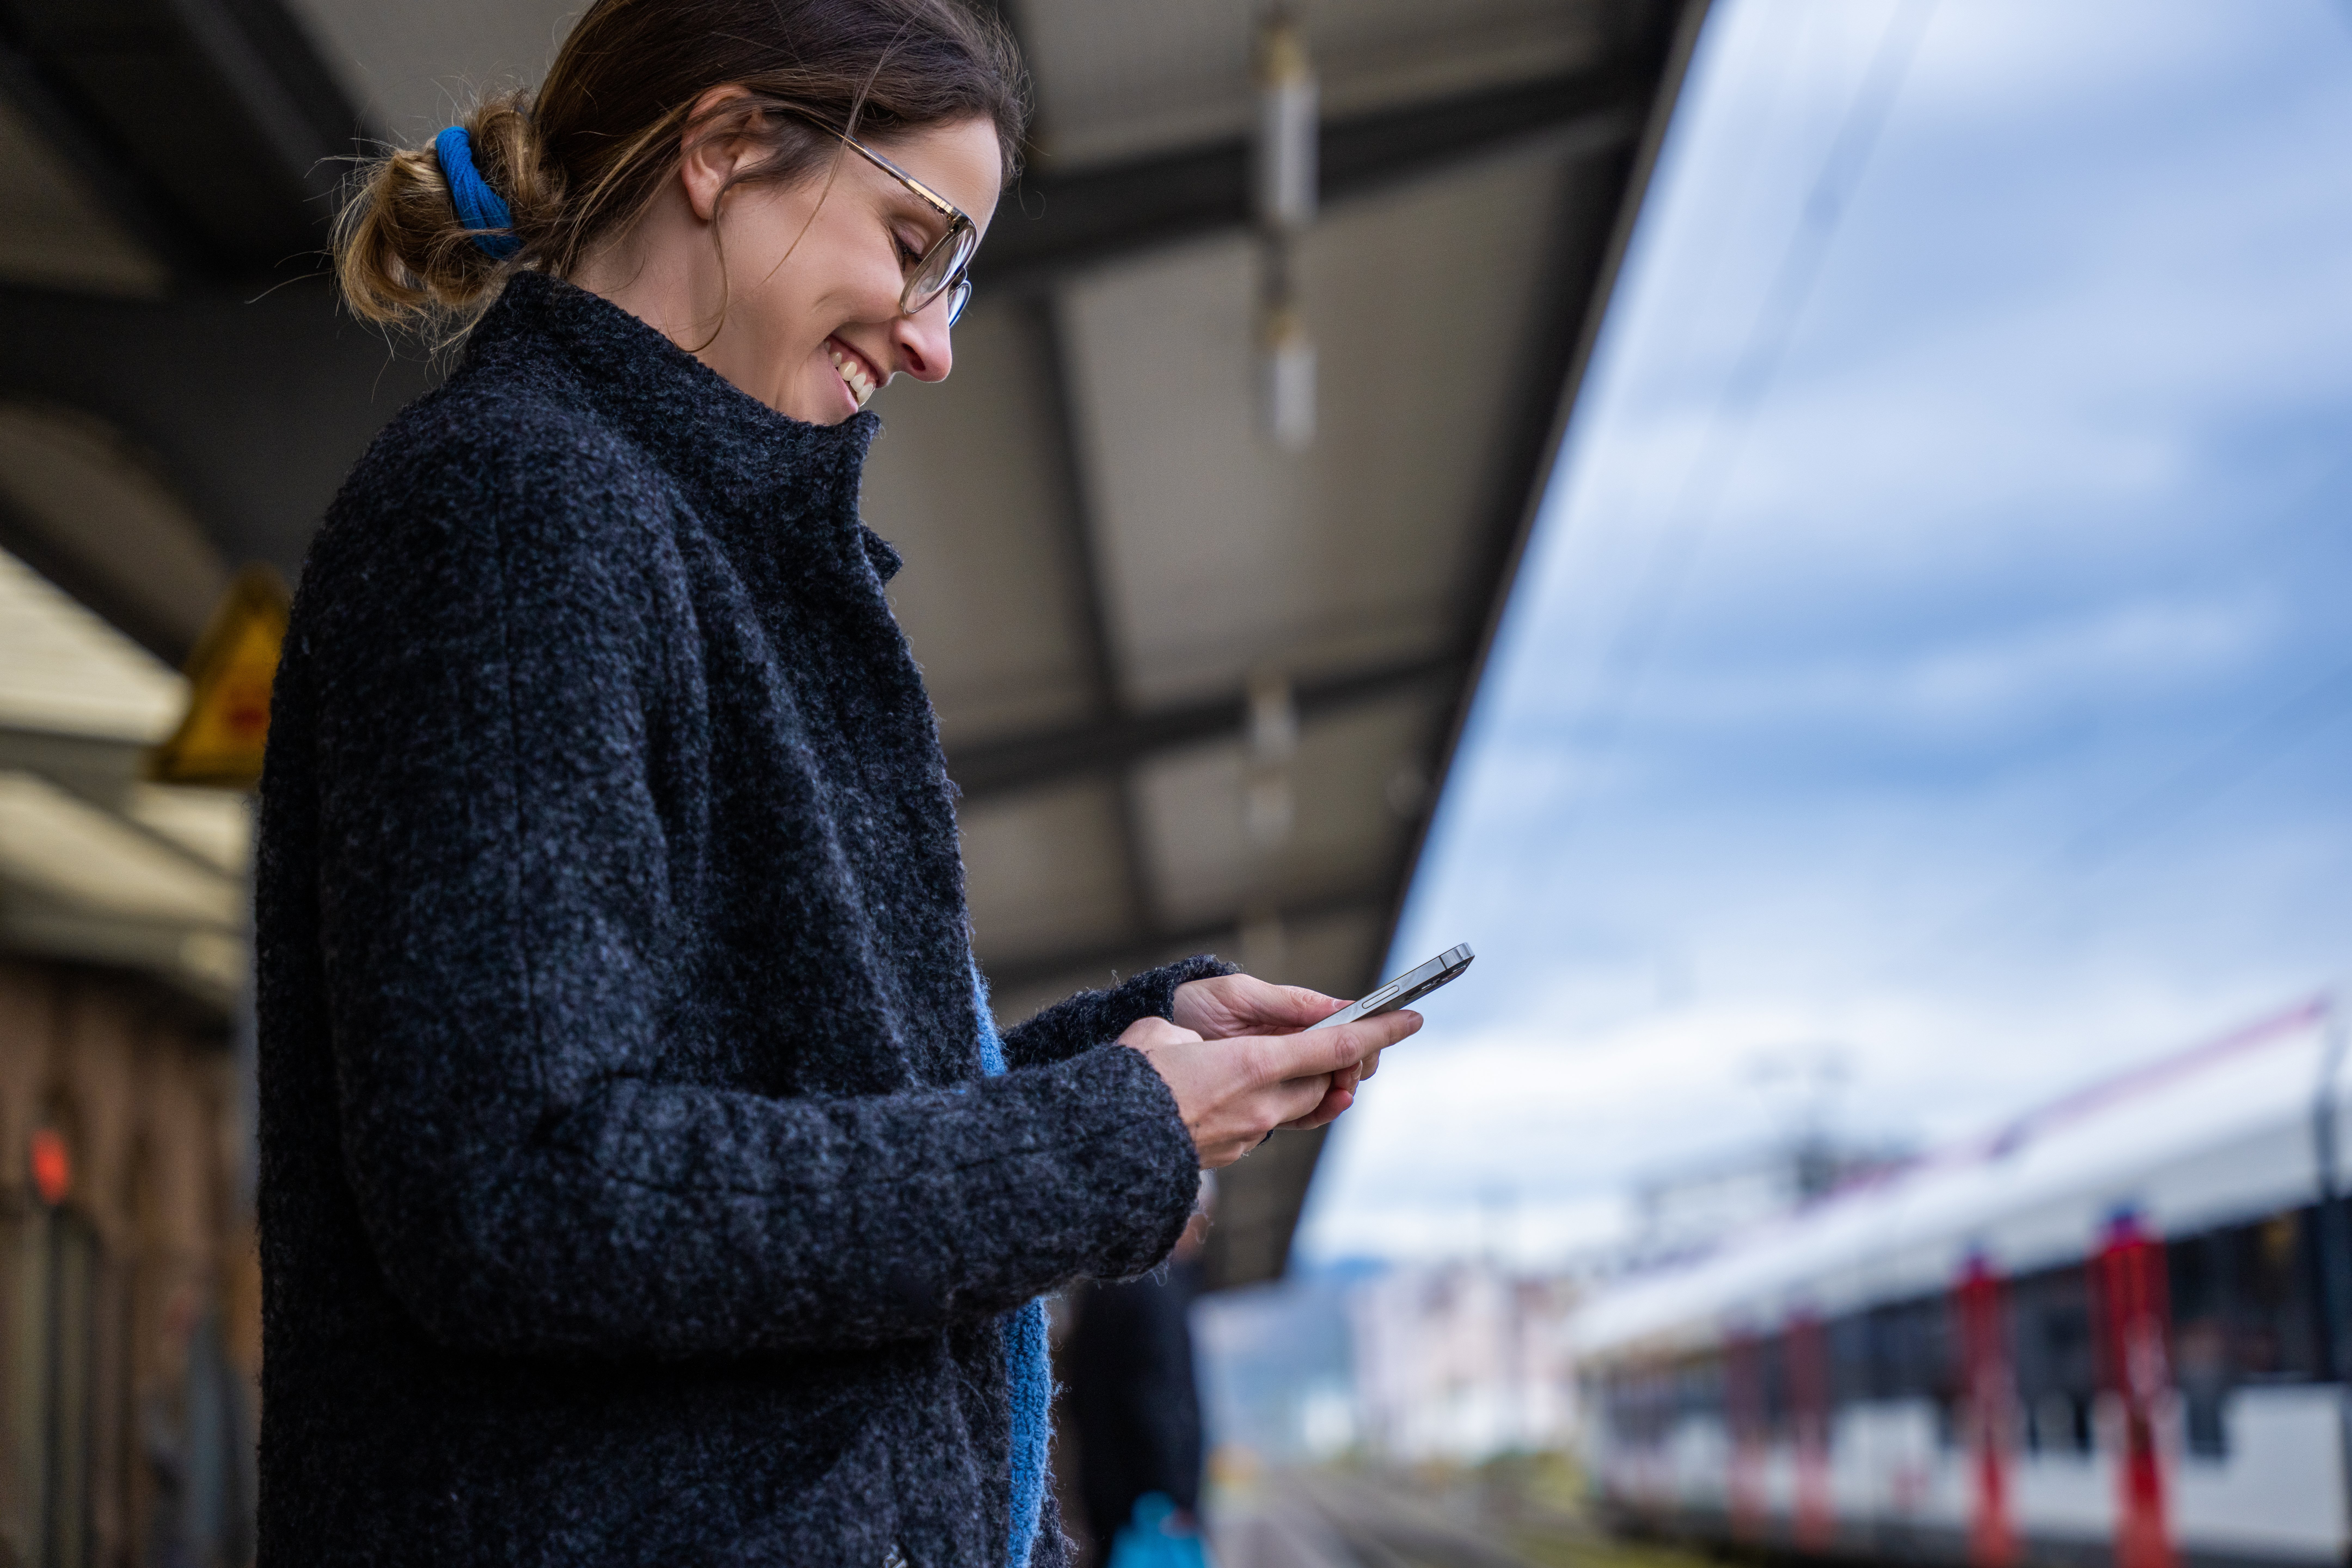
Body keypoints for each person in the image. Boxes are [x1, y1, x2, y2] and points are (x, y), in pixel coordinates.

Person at [253, 1, 1420, 1564]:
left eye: (960, 273)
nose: (936, 341)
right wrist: (1110, 1135)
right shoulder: (517, 517)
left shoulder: (671, 534)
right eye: (915, 241)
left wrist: (1127, 1053)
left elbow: (775, 1117)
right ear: (727, 149)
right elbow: (532, 1194)